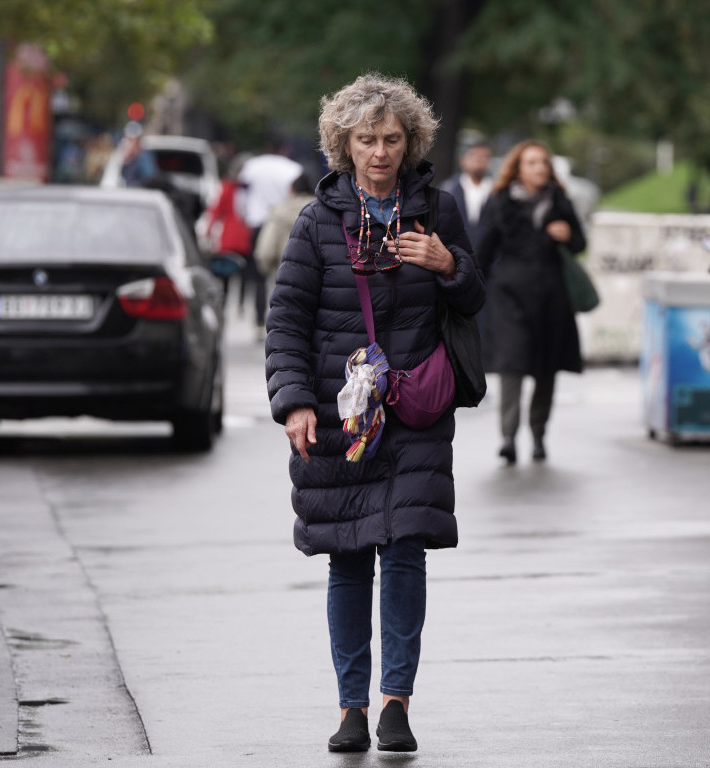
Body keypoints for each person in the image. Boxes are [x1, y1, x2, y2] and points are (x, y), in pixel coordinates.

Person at [265, 72, 482, 753]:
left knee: (406, 551)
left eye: (392, 139)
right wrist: (294, 402)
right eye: (367, 140)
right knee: (350, 556)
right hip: (342, 417)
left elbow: (477, 297)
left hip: (416, 409)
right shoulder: (316, 220)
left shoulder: (438, 212)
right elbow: (287, 320)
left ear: (410, 142)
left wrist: (449, 264)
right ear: (344, 145)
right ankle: (350, 708)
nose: (381, 152)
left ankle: (396, 702)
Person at [475, 139, 587, 464]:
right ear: (518, 169)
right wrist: (466, 290)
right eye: (532, 163)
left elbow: (580, 243)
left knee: (546, 368)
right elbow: (482, 251)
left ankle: (538, 435)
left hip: (552, 297)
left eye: (543, 163)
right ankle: (508, 437)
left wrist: (568, 235)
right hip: (509, 295)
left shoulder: (560, 201)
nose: (539, 168)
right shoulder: (500, 201)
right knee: (512, 366)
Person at [240, 138, 303, 338]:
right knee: (287, 275)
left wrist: (246, 215)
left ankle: (259, 321)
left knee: (258, 276)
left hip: (257, 222)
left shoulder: (252, 166)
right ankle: (285, 321)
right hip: (286, 223)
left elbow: (241, 195)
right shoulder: (293, 168)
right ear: (284, 148)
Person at [202, 153, 255, 300]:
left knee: (226, 273)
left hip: (229, 238)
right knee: (244, 273)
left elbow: (215, 211)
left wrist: (207, 232)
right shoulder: (248, 190)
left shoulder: (227, 187)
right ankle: (241, 304)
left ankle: (225, 302)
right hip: (244, 236)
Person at [253, 171, 313, 299]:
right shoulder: (321, 212)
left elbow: (266, 251)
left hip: (284, 275)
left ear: (292, 190)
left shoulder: (279, 212)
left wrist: (268, 269)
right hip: (313, 277)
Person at [439, 141, 492, 244]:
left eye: (485, 157)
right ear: (462, 160)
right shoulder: (448, 189)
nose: (479, 160)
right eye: (474, 156)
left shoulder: (496, 191)